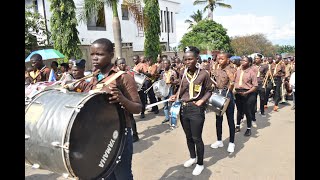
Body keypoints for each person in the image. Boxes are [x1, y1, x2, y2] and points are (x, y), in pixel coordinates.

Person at [80, 38, 142, 180]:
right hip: (99, 135)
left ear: (111, 54)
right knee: (105, 175)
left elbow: (138, 108)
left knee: (122, 175)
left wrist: (122, 98)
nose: (95, 58)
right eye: (92, 54)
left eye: (100, 54)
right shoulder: (93, 77)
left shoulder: (123, 77)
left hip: (119, 134)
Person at [169, 46, 213, 176]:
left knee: (196, 137)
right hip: (184, 108)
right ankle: (192, 157)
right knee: (188, 137)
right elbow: (182, 88)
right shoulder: (183, 73)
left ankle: (200, 163)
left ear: (196, 59)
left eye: (190, 59)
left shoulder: (204, 73)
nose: (188, 62)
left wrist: (201, 101)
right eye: (185, 59)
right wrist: (175, 95)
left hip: (196, 108)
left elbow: (210, 90)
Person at [210, 52, 236, 153]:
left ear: (227, 60)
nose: (219, 60)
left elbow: (233, 82)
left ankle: (231, 143)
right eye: (218, 59)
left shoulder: (232, 69)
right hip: (218, 94)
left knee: (230, 120)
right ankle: (219, 140)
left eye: (222, 59)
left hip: (227, 95)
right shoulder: (216, 69)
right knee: (218, 119)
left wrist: (230, 80)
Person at [115, 57, 140, 143]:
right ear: (117, 65)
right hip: (120, 99)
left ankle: (135, 135)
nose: (122, 65)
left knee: (130, 117)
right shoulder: (115, 75)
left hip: (129, 98)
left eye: (123, 63)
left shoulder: (130, 73)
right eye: (120, 63)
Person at [234, 56, 258, 136]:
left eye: (244, 61)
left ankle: (248, 128)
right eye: (241, 60)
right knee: (239, 110)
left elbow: (255, 86)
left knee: (247, 111)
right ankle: (237, 126)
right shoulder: (238, 71)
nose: (242, 62)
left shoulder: (252, 72)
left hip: (248, 93)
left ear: (249, 63)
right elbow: (234, 81)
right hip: (238, 93)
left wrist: (246, 93)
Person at [159, 58, 179, 127]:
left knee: (171, 104)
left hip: (170, 88)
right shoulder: (162, 73)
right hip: (164, 89)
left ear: (169, 64)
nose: (165, 65)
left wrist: (172, 82)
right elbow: (160, 81)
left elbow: (177, 81)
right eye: (164, 63)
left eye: (166, 63)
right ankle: (167, 118)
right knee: (165, 105)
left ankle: (172, 118)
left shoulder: (173, 72)